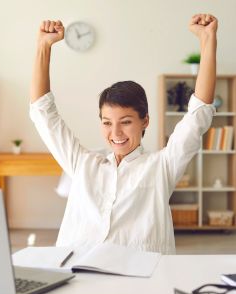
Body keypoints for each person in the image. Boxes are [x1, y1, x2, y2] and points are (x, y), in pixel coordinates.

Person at [29, 14, 217, 254]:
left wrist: (208, 38)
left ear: (144, 121)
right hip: (77, 275)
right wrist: (43, 46)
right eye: (107, 122)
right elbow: (42, 113)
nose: (115, 132)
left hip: (141, 280)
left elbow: (199, 114)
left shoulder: (162, 166)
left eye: (126, 122)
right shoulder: (83, 163)